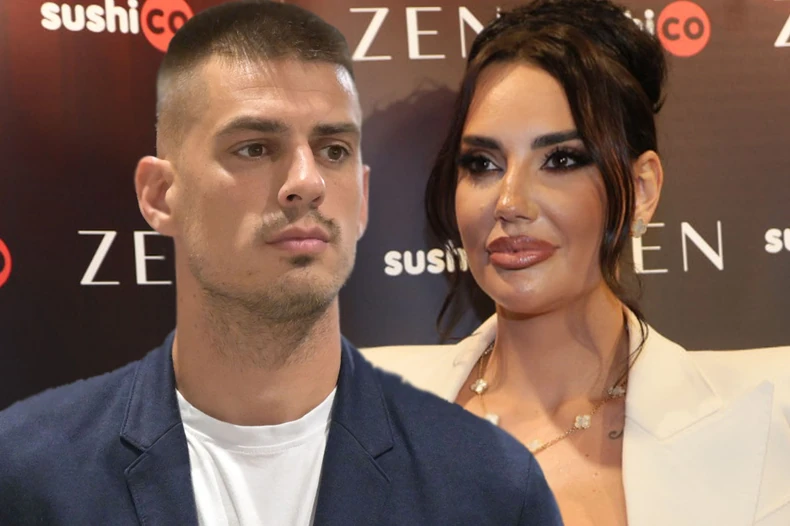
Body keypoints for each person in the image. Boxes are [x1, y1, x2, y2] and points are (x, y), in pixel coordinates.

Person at [0, 2, 563, 525]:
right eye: (254, 147)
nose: (307, 181)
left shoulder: (489, 486)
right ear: (160, 195)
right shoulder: (28, 474)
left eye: (333, 150)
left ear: (363, 198)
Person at [362, 0, 790, 524]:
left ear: (641, 189)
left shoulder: (772, 420)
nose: (509, 202)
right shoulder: (356, 409)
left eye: (561, 160)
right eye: (483, 163)